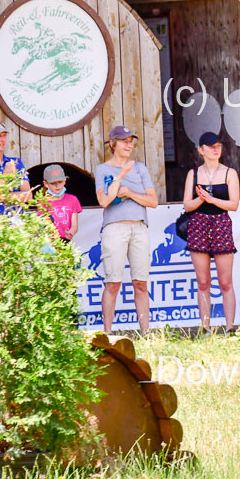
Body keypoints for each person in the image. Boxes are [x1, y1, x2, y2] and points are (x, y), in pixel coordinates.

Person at [95, 126, 158, 335]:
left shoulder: (140, 168)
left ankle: (145, 332)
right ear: (113, 144)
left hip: (139, 226)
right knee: (113, 282)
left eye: (131, 141)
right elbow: (104, 200)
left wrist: (130, 193)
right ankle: (108, 333)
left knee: (140, 282)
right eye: (123, 141)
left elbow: (153, 201)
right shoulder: (103, 169)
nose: (129, 145)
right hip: (115, 227)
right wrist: (120, 175)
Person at [183, 132, 240, 333]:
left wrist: (212, 199)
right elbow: (187, 205)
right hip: (198, 225)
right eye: (210, 146)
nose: (215, 149)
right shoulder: (194, 174)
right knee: (203, 281)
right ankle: (205, 327)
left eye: (218, 145)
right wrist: (201, 199)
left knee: (225, 281)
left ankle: (230, 327)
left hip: (221, 224)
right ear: (201, 150)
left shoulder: (229, 173)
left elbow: (234, 204)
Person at [0, 120, 31, 214]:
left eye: (4, 135)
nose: (3, 140)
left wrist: (2, 196)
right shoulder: (11, 166)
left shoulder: (16, 162)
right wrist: (6, 176)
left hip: (17, 222)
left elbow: (28, 195)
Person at [42, 164, 81, 241]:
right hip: (48, 241)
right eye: (53, 183)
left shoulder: (73, 199)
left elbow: (75, 225)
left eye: (60, 182)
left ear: (65, 181)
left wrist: (70, 233)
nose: (57, 186)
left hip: (66, 241)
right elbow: (42, 223)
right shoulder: (43, 201)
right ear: (46, 184)